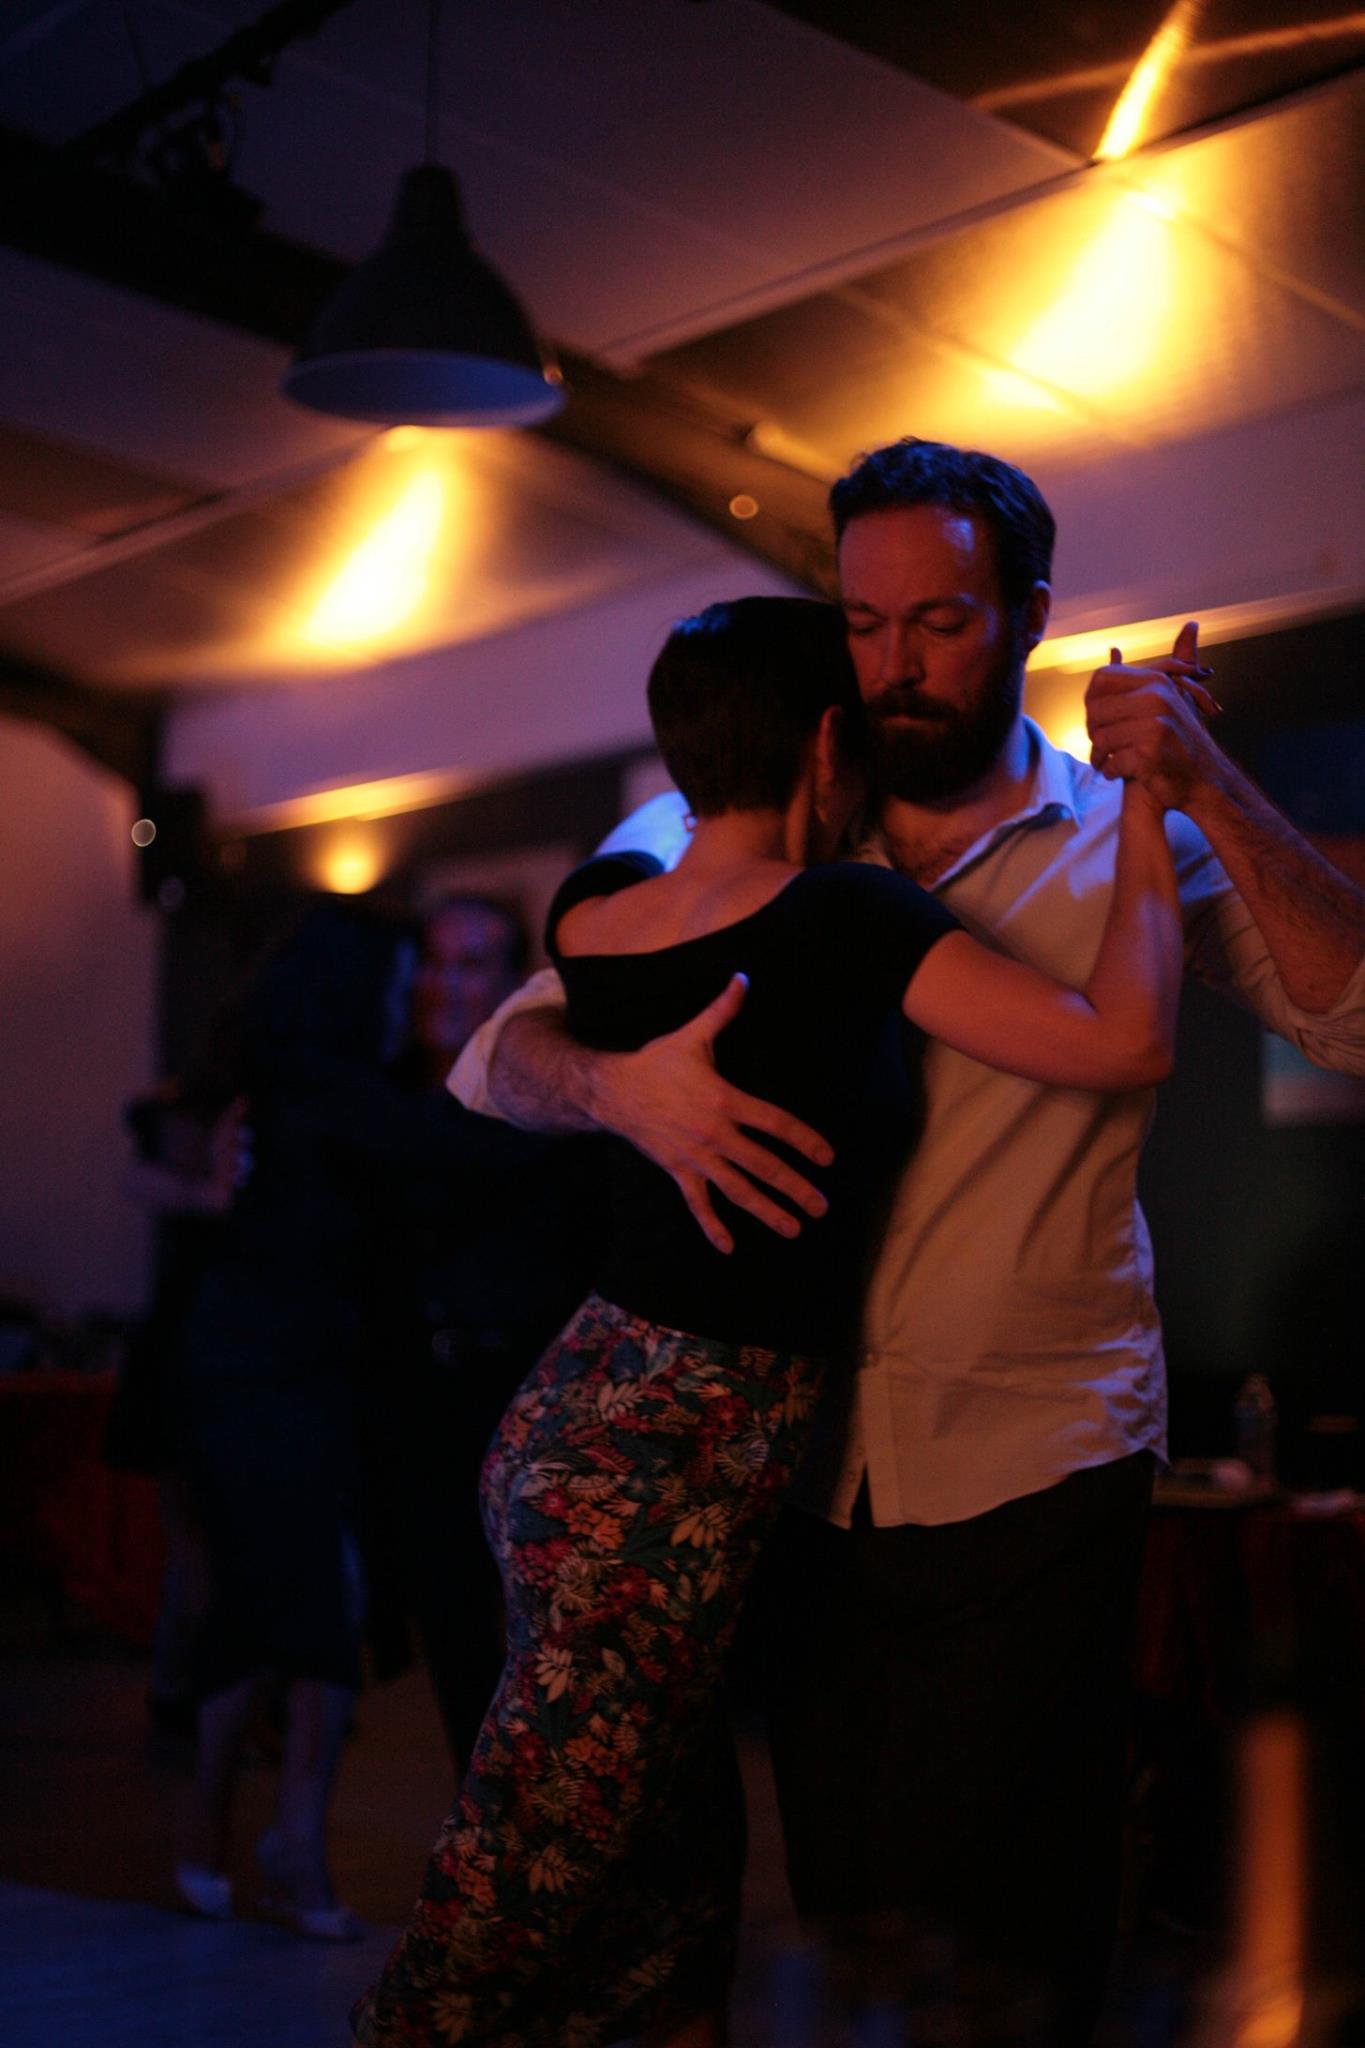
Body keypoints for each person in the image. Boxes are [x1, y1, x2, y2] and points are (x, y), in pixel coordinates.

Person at [451, 442, 1365, 2041]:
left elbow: (1354, 1022)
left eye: (938, 623)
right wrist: (612, 1087)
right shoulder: (762, 812)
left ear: (1027, 613)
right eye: (863, 624)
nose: (892, 667)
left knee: (1013, 1941)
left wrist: (1205, 783)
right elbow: (500, 1052)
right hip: (795, 1469)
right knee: (848, 1924)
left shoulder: (1125, 833)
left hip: (1033, 1453)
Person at [351, 593, 1183, 2048]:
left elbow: (588, 925)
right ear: (828, 745)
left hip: (566, 1422)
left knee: (667, 1884)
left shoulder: (595, 907)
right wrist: (1150, 815)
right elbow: (1122, 1037)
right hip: (666, 1460)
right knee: (526, 1875)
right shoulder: (843, 916)